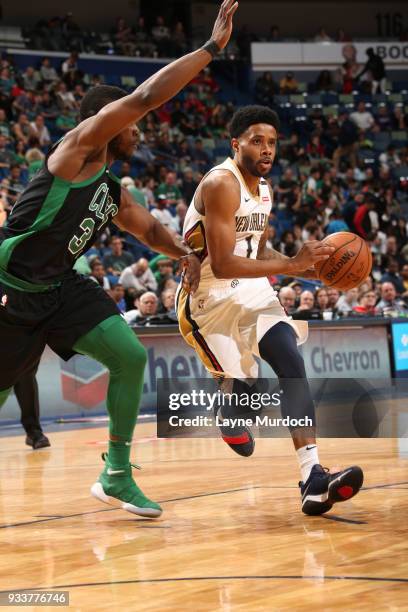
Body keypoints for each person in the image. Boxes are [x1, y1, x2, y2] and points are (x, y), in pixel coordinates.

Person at [0, 0, 238, 518]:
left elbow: (149, 228)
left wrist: (186, 253)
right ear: (109, 122)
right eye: (132, 127)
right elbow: (147, 96)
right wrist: (211, 49)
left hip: (60, 288)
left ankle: (116, 476)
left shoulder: (111, 188)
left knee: (130, 357)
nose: (140, 133)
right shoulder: (77, 148)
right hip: (11, 289)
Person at [177, 104, 363, 515]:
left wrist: (312, 271)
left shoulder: (263, 189)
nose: (266, 150)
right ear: (236, 143)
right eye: (257, 141)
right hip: (210, 300)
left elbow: (259, 252)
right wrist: (293, 264)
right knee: (252, 389)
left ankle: (313, 479)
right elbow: (223, 263)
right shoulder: (222, 183)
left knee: (291, 362)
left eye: (272, 143)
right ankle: (232, 409)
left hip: (255, 292)